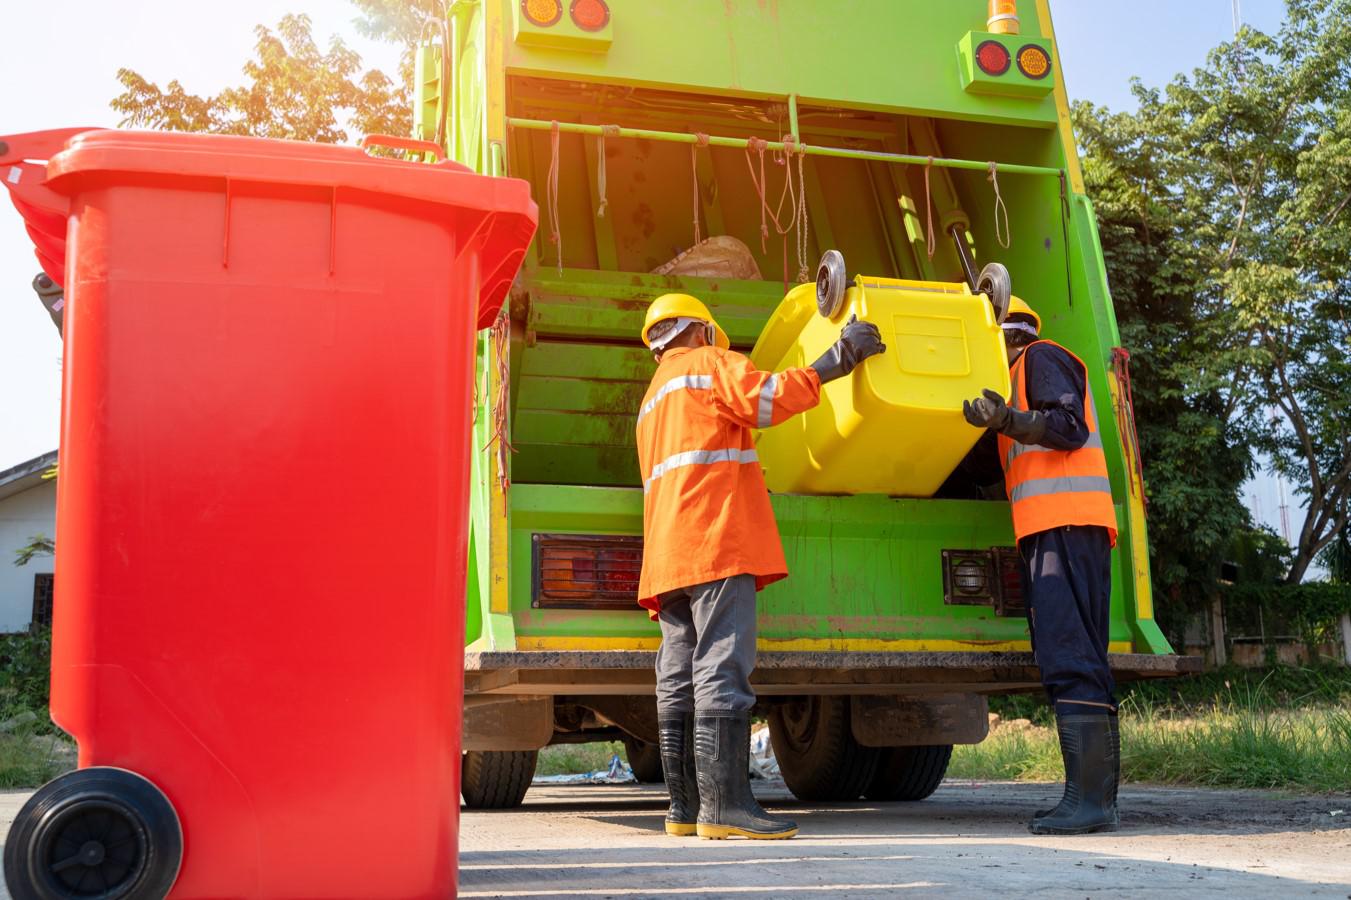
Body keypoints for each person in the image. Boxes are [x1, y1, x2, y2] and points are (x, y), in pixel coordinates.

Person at [636, 292, 884, 840]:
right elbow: (765, 400)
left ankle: (685, 808)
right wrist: (839, 358)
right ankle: (725, 809)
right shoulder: (710, 364)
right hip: (716, 538)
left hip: (669, 554)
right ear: (701, 331)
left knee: (677, 674)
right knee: (721, 665)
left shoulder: (653, 399)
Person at [961, 297, 1121, 835]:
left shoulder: (1039, 358)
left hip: (1065, 524)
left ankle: (1089, 803)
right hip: (1063, 527)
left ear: (1005, 334)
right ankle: (1097, 801)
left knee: (1068, 652)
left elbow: (1068, 426)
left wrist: (1008, 418)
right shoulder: (1014, 380)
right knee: (1079, 656)